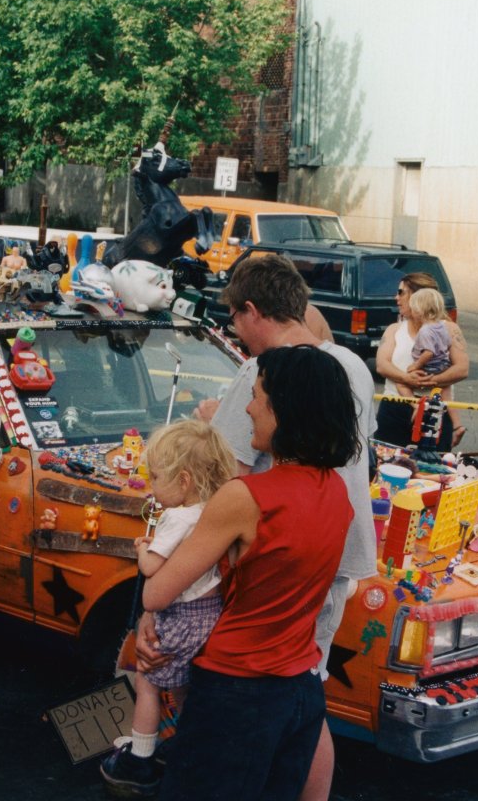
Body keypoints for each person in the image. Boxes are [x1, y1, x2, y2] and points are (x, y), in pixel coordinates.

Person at [181, 252, 375, 801]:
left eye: (235, 320)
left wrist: (207, 422)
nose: (237, 334)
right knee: (306, 698)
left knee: (255, 710)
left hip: (274, 561)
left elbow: (225, 475)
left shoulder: (262, 372)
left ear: (250, 311)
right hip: (337, 551)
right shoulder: (350, 363)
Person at [142, 345, 359, 800]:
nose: (247, 407)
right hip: (299, 688)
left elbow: (159, 592)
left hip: (235, 691)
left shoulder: (245, 496)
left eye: (259, 396)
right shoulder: (337, 492)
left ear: (286, 411)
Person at [100, 420, 237, 796]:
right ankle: (186, 746)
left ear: (185, 481)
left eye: (156, 477)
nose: (152, 486)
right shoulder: (213, 510)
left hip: (178, 616)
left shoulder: (177, 516)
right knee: (184, 689)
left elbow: (151, 570)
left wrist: (144, 548)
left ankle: (139, 760)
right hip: (208, 616)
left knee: (148, 683)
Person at [374, 271, 470, 448]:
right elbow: (382, 364)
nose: (396, 298)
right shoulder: (394, 329)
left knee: (430, 469)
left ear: (419, 298)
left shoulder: (449, 329)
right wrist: (407, 378)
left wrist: (432, 380)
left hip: (434, 408)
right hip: (395, 408)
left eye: (401, 292)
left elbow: (462, 368)